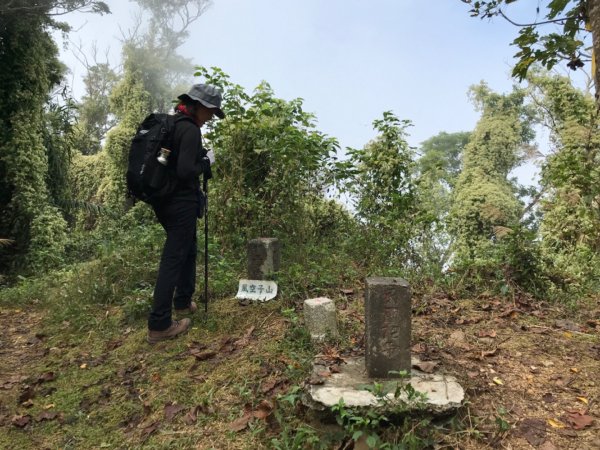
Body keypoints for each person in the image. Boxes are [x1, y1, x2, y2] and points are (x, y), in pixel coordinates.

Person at [147, 84, 225, 345]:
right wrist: (206, 162)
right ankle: (159, 324)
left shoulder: (174, 123)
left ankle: (182, 302)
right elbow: (185, 171)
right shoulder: (190, 129)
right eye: (211, 110)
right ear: (199, 105)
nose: (212, 116)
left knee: (187, 249)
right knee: (174, 257)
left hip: (164, 200)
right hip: (181, 202)